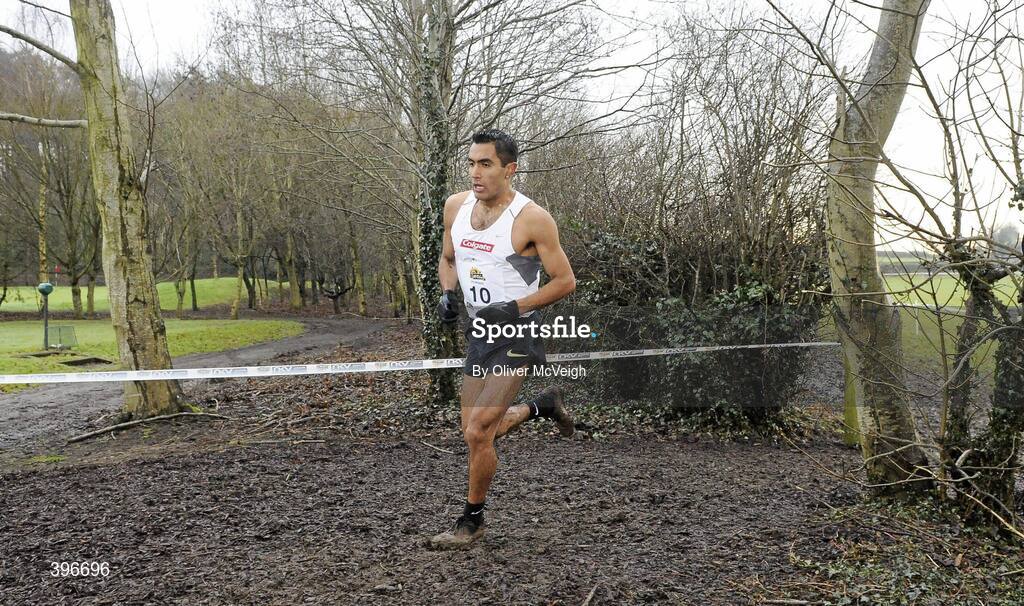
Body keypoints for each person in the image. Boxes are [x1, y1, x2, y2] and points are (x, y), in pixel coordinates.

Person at [429, 129, 577, 550]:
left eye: (486, 164)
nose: (476, 173)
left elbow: (565, 281)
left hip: (517, 331)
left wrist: (513, 308)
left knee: (478, 432)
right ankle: (541, 406)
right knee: (476, 432)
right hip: (479, 330)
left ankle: (471, 522)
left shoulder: (531, 218)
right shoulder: (455, 207)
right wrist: (447, 292)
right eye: (472, 163)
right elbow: (447, 258)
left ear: (509, 169)